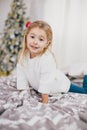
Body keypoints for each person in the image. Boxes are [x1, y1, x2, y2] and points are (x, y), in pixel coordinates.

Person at [17, 20, 87, 103]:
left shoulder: (46, 59)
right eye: (32, 37)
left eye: (41, 39)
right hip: (44, 84)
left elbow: (46, 82)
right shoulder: (23, 55)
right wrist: (23, 92)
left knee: (84, 91)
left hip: (59, 85)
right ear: (26, 37)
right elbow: (21, 75)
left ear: (47, 43)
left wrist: (44, 103)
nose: (35, 42)